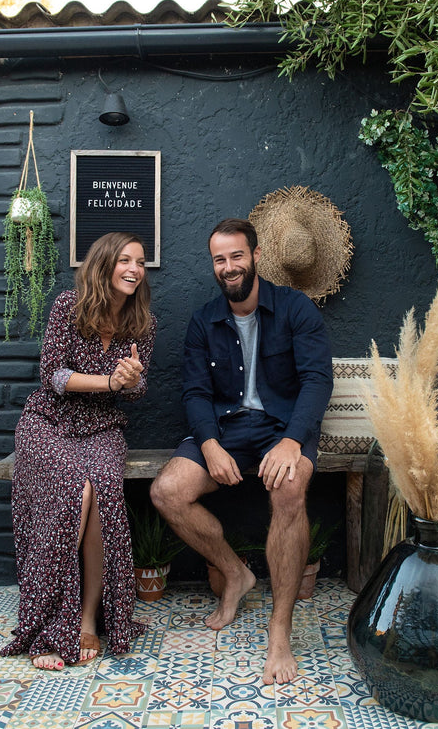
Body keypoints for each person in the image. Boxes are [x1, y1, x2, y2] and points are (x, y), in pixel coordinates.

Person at [150, 217, 333, 685]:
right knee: (168, 491)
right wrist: (209, 444)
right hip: (227, 428)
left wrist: (292, 440)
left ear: (255, 256)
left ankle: (280, 629)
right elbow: (195, 392)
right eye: (220, 259)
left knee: (289, 491)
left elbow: (317, 380)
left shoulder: (295, 309)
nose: (229, 266)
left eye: (236, 256)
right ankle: (235, 573)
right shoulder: (204, 321)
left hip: (283, 427)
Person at [0, 232, 156, 670]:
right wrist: (110, 381)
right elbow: (53, 375)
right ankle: (51, 619)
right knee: (75, 486)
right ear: (103, 264)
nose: (134, 269)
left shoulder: (143, 321)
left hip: (102, 426)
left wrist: (132, 380)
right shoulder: (69, 306)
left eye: (140, 262)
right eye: (125, 260)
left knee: (101, 487)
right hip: (48, 421)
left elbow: (136, 390)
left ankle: (86, 618)